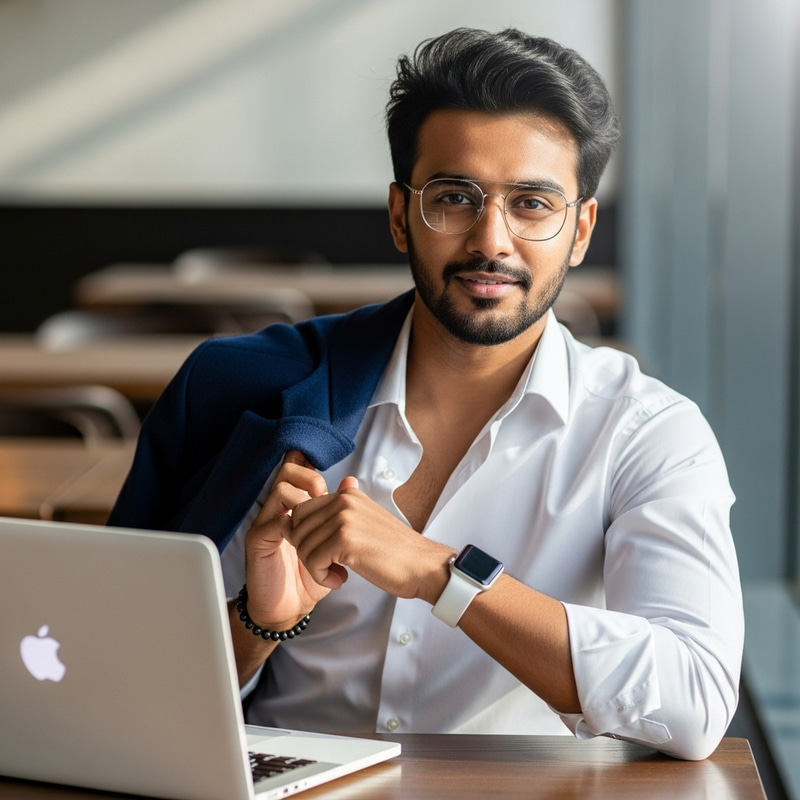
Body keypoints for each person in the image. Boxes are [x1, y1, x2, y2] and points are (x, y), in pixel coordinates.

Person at [107, 27, 743, 761]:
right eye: (453, 198)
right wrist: (257, 623)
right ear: (400, 216)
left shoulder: (648, 434)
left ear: (580, 230)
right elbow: (123, 684)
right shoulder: (244, 391)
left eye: (533, 203)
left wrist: (439, 573)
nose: (491, 240)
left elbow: (695, 702)